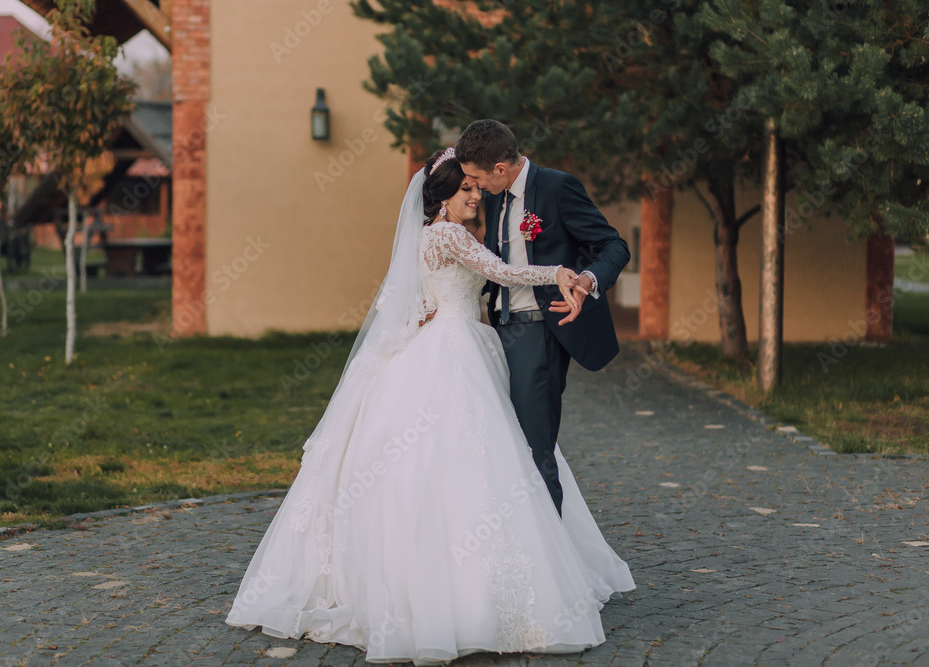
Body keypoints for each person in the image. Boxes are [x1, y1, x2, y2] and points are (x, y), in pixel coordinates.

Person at [225, 148, 635, 665]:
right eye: (463, 188)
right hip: (456, 350)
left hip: (460, 339)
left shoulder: (432, 239)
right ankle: (477, 593)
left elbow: (423, 302)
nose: (474, 195)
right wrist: (558, 272)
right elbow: (502, 274)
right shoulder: (447, 235)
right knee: (473, 462)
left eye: (474, 186)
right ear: (440, 196)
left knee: (491, 457)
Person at [455, 120, 631, 517]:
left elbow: (613, 245)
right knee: (504, 440)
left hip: (540, 329)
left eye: (477, 178)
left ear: (501, 168)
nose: (475, 187)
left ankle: (551, 553)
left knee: (535, 444)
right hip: (498, 332)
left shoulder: (556, 187)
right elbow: (499, 263)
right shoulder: (497, 196)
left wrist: (587, 281)